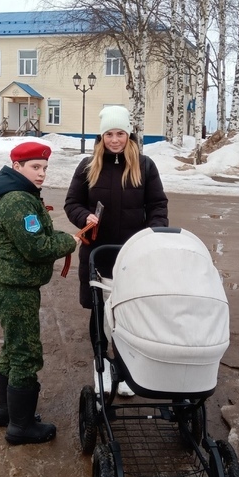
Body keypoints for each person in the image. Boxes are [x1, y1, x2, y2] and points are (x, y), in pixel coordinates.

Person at [64, 106, 169, 395]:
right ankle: (102, 367)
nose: (114, 140)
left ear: (128, 134)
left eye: (120, 133)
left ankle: (125, 370)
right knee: (99, 315)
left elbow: (158, 205)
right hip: (98, 254)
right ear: (102, 136)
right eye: (109, 134)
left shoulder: (144, 166)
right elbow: (72, 202)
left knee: (130, 315)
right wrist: (84, 216)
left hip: (134, 256)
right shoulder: (88, 166)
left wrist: (153, 233)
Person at [0, 141, 80, 445]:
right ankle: (21, 427)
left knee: (12, 351)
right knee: (25, 355)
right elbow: (37, 247)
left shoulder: (22, 195)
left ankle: (6, 414)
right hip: (16, 290)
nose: (41, 174)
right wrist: (69, 242)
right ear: (17, 167)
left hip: (14, 286)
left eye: (44, 168)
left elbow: (37, 234)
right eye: (35, 167)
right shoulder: (17, 201)